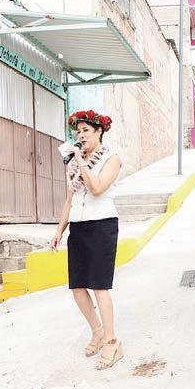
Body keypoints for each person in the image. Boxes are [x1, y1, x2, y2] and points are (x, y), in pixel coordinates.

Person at [50, 110, 123, 370]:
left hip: (102, 225)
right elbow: (70, 199)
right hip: (78, 227)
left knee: (99, 287)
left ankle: (112, 341)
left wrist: (81, 160)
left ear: (99, 131)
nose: (81, 136)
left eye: (86, 131)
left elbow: (97, 188)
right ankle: (97, 331)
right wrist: (59, 230)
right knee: (78, 287)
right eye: (78, 132)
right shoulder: (73, 164)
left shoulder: (112, 159)